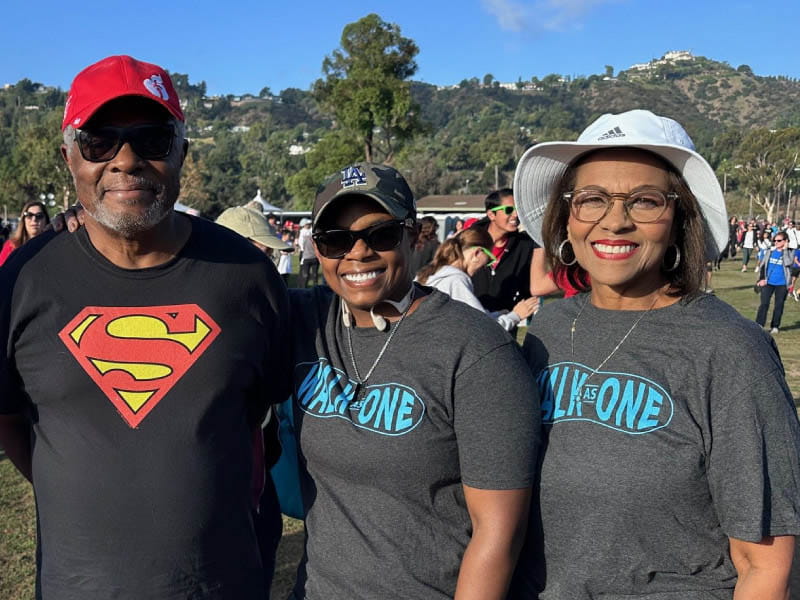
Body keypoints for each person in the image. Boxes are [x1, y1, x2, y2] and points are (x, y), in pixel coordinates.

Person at [0, 55, 290, 600]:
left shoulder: (247, 275)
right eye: (99, 142)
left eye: (152, 139)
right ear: (69, 157)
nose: (126, 160)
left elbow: (258, 414)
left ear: (182, 152)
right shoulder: (23, 280)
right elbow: (8, 417)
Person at [512, 109, 800, 599]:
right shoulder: (550, 329)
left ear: (680, 219)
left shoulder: (729, 348)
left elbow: (766, 565)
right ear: (568, 216)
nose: (615, 221)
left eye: (645, 201)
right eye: (592, 199)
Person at [285, 162, 539, 599]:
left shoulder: (475, 350)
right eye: (335, 240)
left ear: (414, 235)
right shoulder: (304, 320)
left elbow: (498, 533)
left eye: (381, 234)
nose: (358, 252)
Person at [416, 227, 538, 331]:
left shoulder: (428, 274)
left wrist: (498, 314)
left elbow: (472, 316)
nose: (485, 266)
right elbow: (482, 328)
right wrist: (516, 316)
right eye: (489, 260)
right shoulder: (456, 281)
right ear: (477, 253)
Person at [470, 188, 538, 314]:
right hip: (469, 317)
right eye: (509, 210)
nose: (516, 214)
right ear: (491, 215)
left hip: (506, 320)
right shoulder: (469, 241)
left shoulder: (525, 245)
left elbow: (528, 285)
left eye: (518, 210)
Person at [755, 232, 793, 333]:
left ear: (785, 241)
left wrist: (785, 250)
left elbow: (788, 263)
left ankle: (775, 326)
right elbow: (763, 266)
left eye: (779, 240)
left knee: (779, 305)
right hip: (768, 282)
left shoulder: (790, 252)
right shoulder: (770, 251)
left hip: (782, 284)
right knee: (764, 304)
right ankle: (759, 324)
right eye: (774, 240)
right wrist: (761, 279)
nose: (776, 242)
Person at [0, 200, 50, 266]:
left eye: (39, 216)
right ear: (23, 220)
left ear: (46, 220)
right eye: (29, 215)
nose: (34, 219)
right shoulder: (11, 246)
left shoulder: (53, 245)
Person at [297, 217, 319, 287]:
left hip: (313, 255)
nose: (309, 225)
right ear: (304, 225)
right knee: (304, 273)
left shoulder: (311, 231)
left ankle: (314, 287)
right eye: (307, 224)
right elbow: (301, 245)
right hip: (305, 254)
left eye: (309, 224)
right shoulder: (302, 232)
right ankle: (302, 286)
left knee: (314, 274)